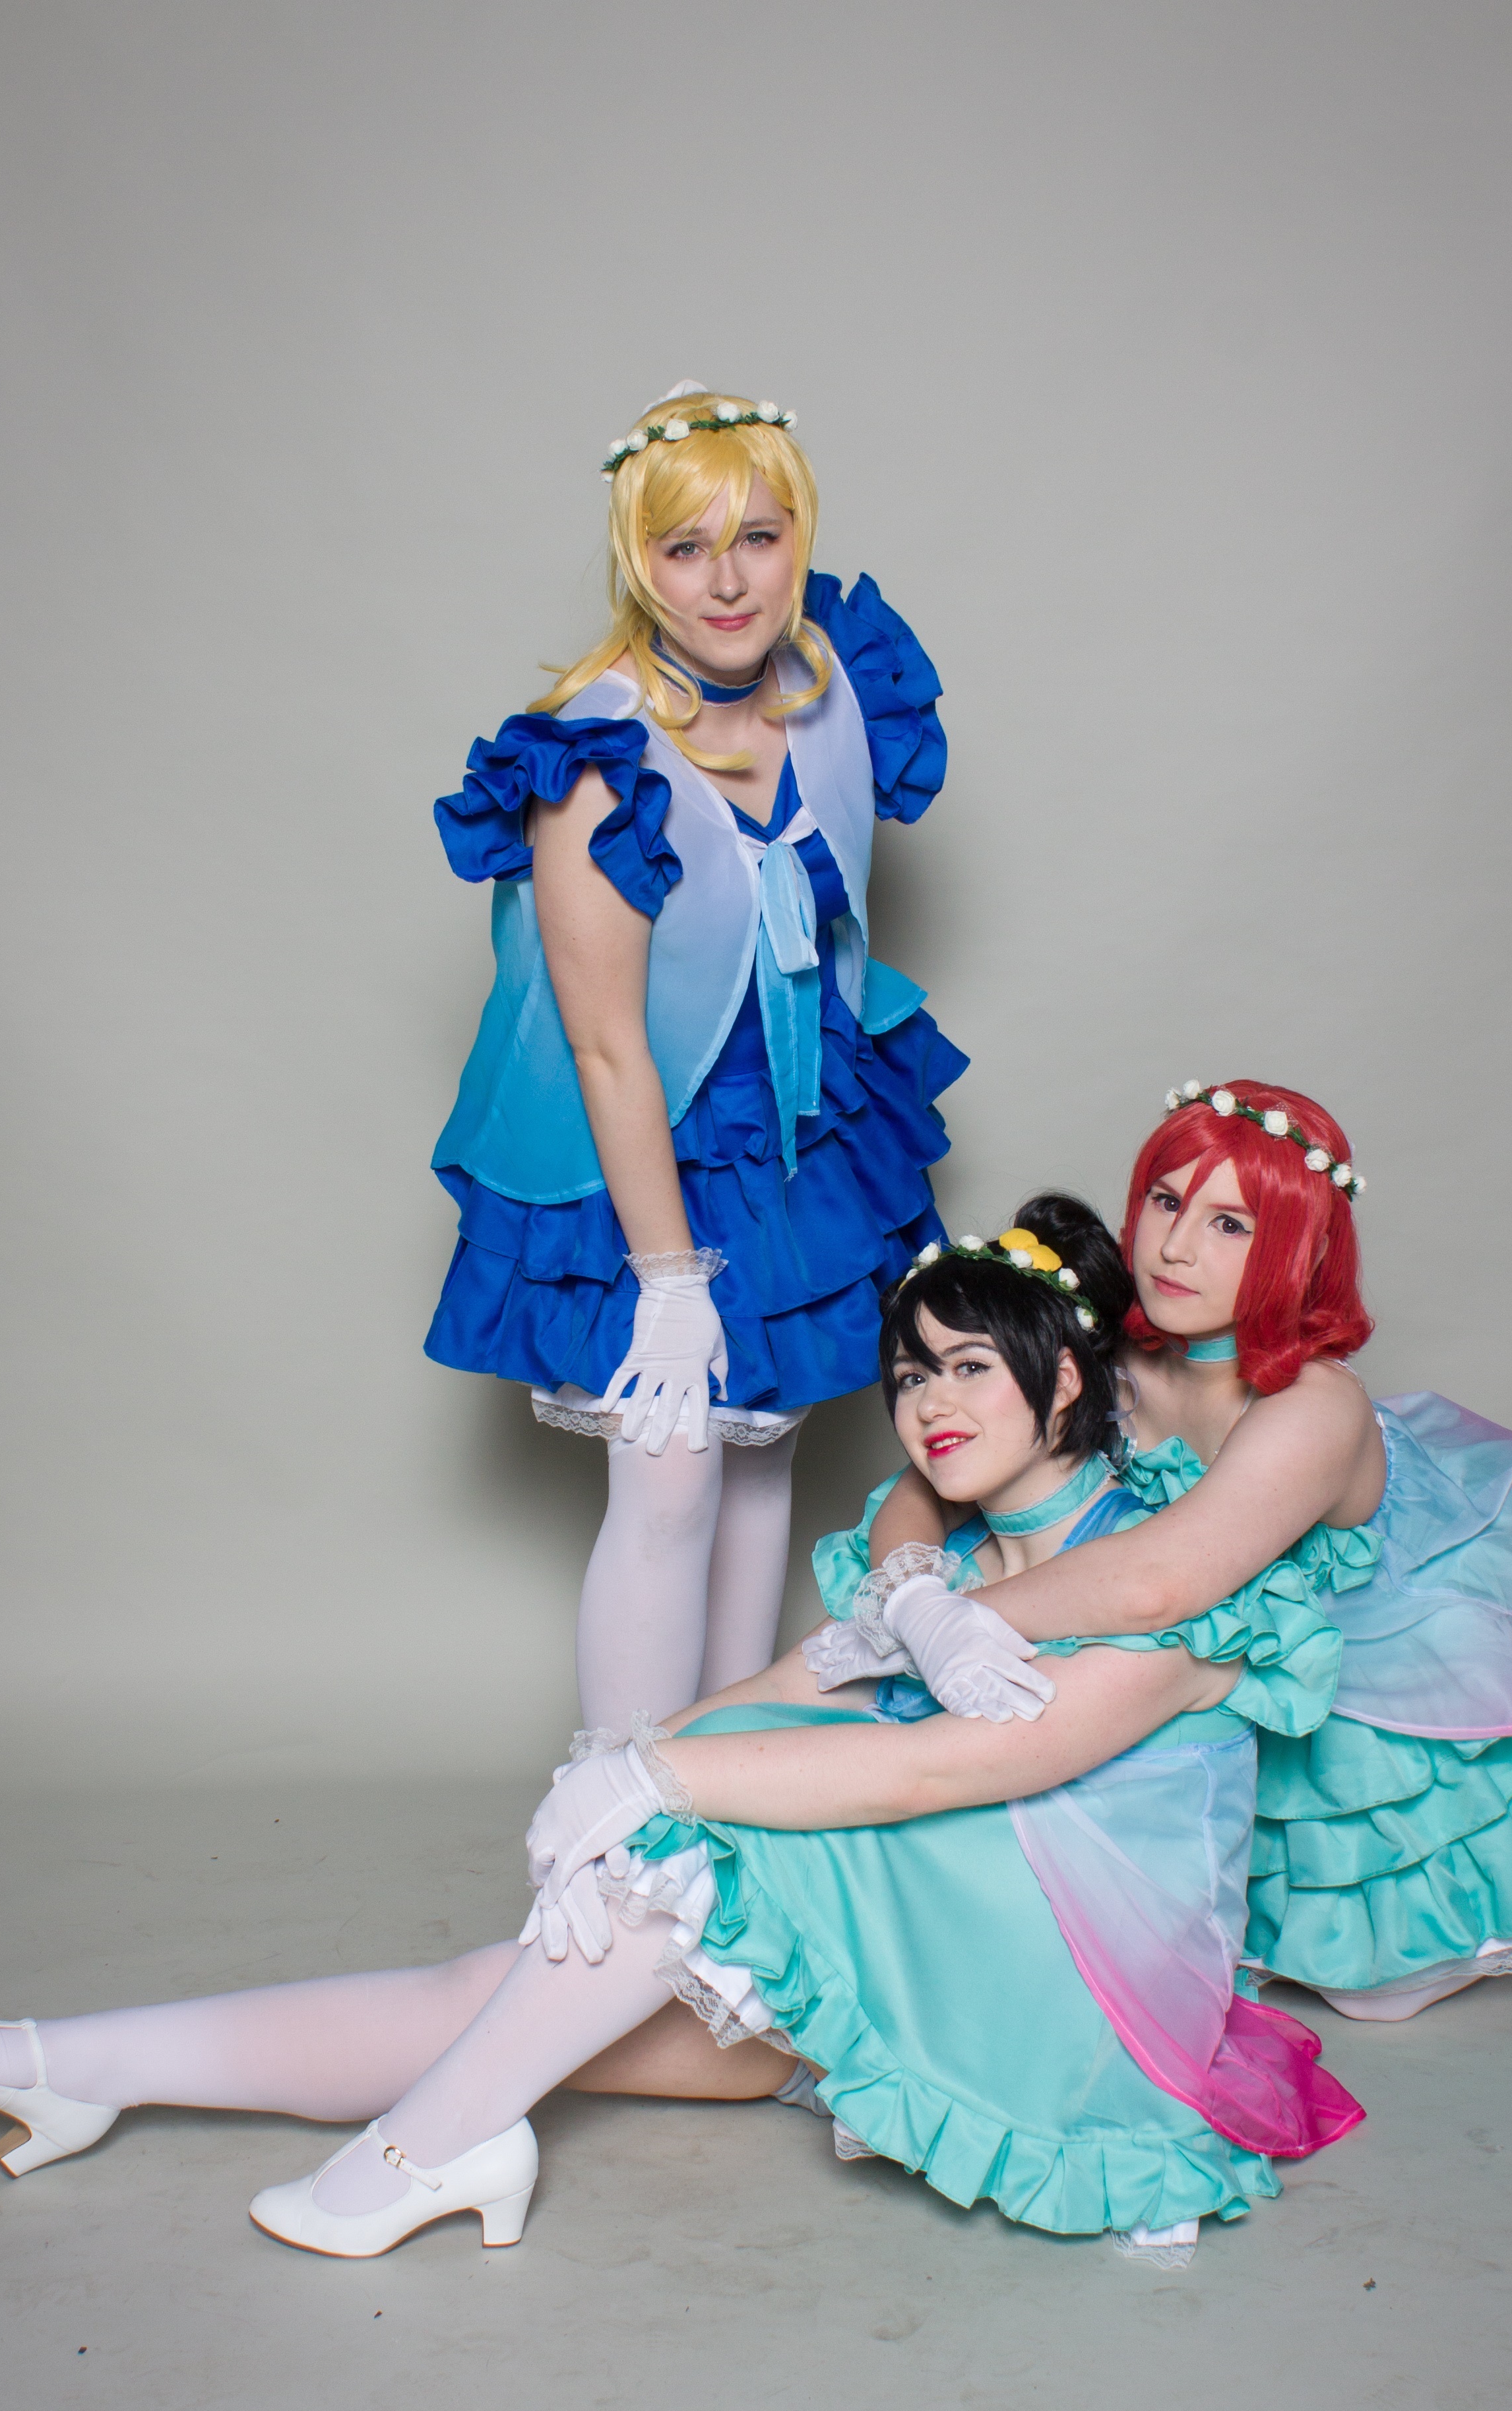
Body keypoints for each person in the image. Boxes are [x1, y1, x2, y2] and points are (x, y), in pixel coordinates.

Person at [0, 1199, 1365, 2265]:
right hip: (914, 1952)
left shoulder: (1177, 1581)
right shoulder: (949, 1563)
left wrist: (660, 1779)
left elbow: (953, 1761)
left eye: (969, 1366)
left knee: (689, 1847)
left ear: (1067, 1380)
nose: (927, 1403)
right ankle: (68, 2061)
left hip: (1056, 2006)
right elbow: (802, 1679)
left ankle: (426, 2151)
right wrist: (618, 1764)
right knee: (498, 1997)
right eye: (912, 1375)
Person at [830, 1081, 1512, 2022]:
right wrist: (913, 1596)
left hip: (1373, 1671)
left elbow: (1162, 1581)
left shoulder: (1312, 1407)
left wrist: (955, 1618)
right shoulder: (1109, 1363)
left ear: (1292, 1249)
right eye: (1166, 1202)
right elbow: (920, 1487)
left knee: (1380, 1990)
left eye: (1231, 1225)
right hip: (1216, 1671)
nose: (1175, 1248)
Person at [424, 383, 964, 1736]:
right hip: (640, 1146)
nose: (729, 582)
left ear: (800, 539)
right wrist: (671, 1281)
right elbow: (605, 1044)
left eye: (759, 538)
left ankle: (721, 1789)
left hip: (792, 1126)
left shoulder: (835, 689)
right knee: (669, 1476)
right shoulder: (596, 759)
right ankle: (615, 1808)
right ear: (638, 559)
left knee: (761, 1452)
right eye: (686, 548)